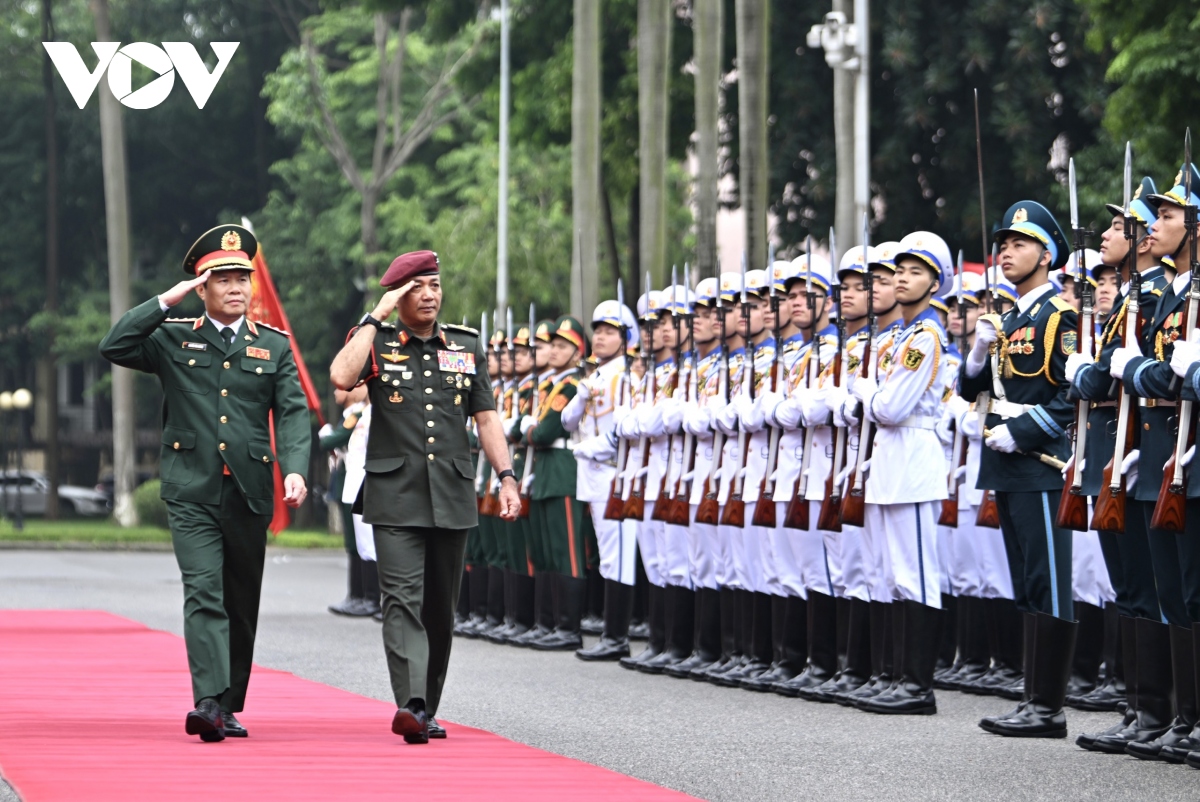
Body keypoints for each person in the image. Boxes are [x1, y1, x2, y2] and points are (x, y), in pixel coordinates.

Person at [99, 223, 311, 742]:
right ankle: (209, 703)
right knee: (204, 590)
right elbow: (116, 344)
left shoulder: (274, 347)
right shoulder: (173, 337)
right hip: (190, 488)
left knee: (240, 599)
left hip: (249, 489)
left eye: (243, 278)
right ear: (203, 287)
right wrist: (166, 300)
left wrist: (298, 467)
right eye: (223, 279)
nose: (237, 287)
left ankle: (229, 701)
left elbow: (292, 412)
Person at [329, 250, 520, 744]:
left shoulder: (464, 345)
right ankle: (410, 702)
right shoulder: (376, 340)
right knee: (401, 600)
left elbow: (486, 418)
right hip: (394, 494)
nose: (431, 294)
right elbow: (341, 378)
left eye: (435, 284)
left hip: (452, 492)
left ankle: (427, 706)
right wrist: (376, 316)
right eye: (419, 287)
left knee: (440, 608)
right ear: (398, 294)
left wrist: (506, 476)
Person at [961, 201, 1079, 738]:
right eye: (1002, 244)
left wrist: (1024, 432)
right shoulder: (1006, 320)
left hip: (1038, 464)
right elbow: (978, 391)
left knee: (1048, 581)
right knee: (1026, 583)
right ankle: (1032, 698)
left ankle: (1048, 708)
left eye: (1018, 243)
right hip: (1004, 464)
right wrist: (977, 355)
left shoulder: (1060, 316)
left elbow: (1072, 396)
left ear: (1046, 253)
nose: (1005, 252)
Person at [568, 299, 640, 661]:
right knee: (608, 553)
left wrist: (591, 447)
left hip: (615, 470)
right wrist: (579, 397)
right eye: (597, 330)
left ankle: (618, 635)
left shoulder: (627, 375)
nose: (600, 337)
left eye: (610, 331)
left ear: (626, 338)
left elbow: (622, 429)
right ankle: (612, 632)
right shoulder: (594, 375)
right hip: (593, 473)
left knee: (620, 553)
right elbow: (568, 421)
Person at [320, 385, 381, 618]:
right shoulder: (363, 414)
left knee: (371, 545)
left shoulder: (369, 413)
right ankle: (363, 596)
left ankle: (373, 597)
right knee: (362, 544)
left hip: (366, 483)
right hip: (355, 483)